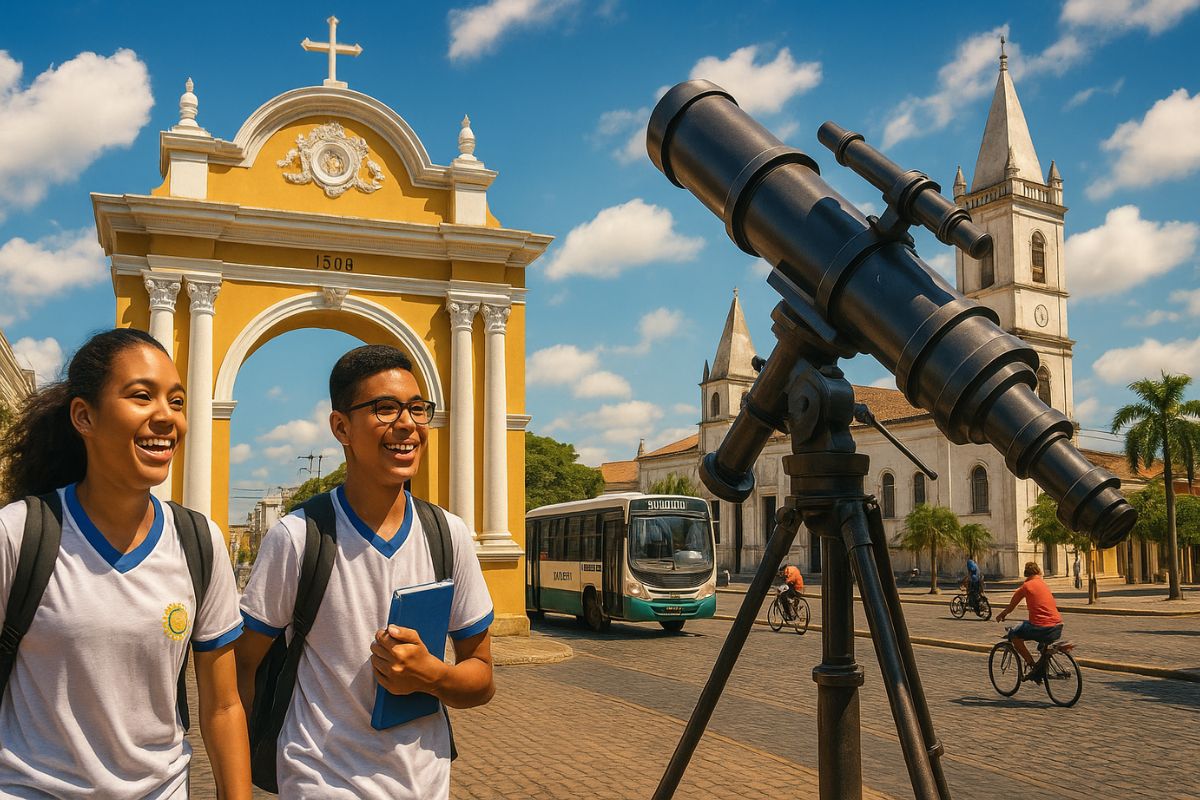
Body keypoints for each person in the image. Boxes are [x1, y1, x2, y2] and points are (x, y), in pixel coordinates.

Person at [235, 344, 495, 799]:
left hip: (426, 784)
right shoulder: (298, 538)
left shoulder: (448, 535)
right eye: (385, 409)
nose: (408, 425)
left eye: (418, 409)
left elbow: (482, 677)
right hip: (321, 780)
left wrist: (432, 675)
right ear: (341, 427)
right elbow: (241, 668)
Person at [0, 328, 250, 798]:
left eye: (177, 402)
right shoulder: (18, 534)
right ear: (84, 417)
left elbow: (223, 706)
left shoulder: (200, 542)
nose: (166, 417)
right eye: (141, 396)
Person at [996, 561, 1064, 682]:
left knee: (1014, 635)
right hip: (1057, 626)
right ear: (1038, 572)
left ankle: (1032, 665)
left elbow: (1011, 606)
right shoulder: (1044, 584)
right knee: (1037, 636)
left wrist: (1002, 615)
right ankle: (1043, 663)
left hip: (1041, 628)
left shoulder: (1026, 587)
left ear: (1026, 574)